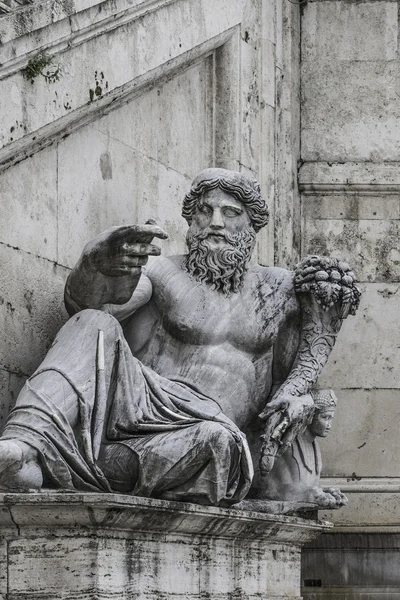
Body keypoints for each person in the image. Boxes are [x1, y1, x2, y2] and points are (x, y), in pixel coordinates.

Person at [0, 168, 359, 506]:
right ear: (192, 218)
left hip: (204, 432)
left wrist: (302, 402)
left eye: (231, 212)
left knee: (217, 443)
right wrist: (92, 268)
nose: (216, 222)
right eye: (205, 210)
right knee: (93, 322)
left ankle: (56, 464)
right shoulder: (161, 272)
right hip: (140, 407)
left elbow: (292, 379)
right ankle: (21, 446)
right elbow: (87, 307)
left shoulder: (278, 288)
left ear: (252, 223)